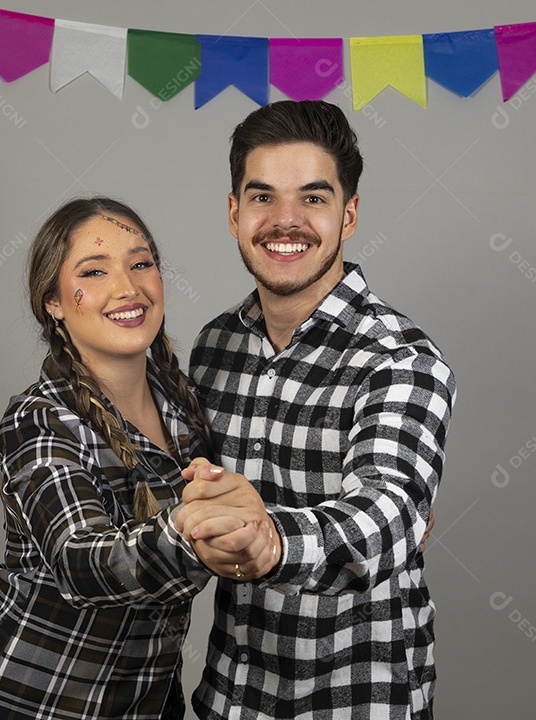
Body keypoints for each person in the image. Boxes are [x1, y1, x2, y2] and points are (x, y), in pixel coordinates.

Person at [0, 198, 276, 720]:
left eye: (141, 264)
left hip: (143, 703)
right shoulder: (39, 420)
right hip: (28, 702)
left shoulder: (184, 404)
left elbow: (258, 483)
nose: (128, 288)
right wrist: (191, 534)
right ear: (52, 300)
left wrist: (398, 502)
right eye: (94, 271)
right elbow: (81, 564)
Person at [176, 100, 455, 719]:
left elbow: (389, 511)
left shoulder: (400, 359)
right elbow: (179, 490)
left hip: (354, 700)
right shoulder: (214, 347)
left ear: (349, 214)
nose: (285, 221)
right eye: (262, 197)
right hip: (231, 697)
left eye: (313, 198)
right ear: (233, 213)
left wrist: (271, 542)